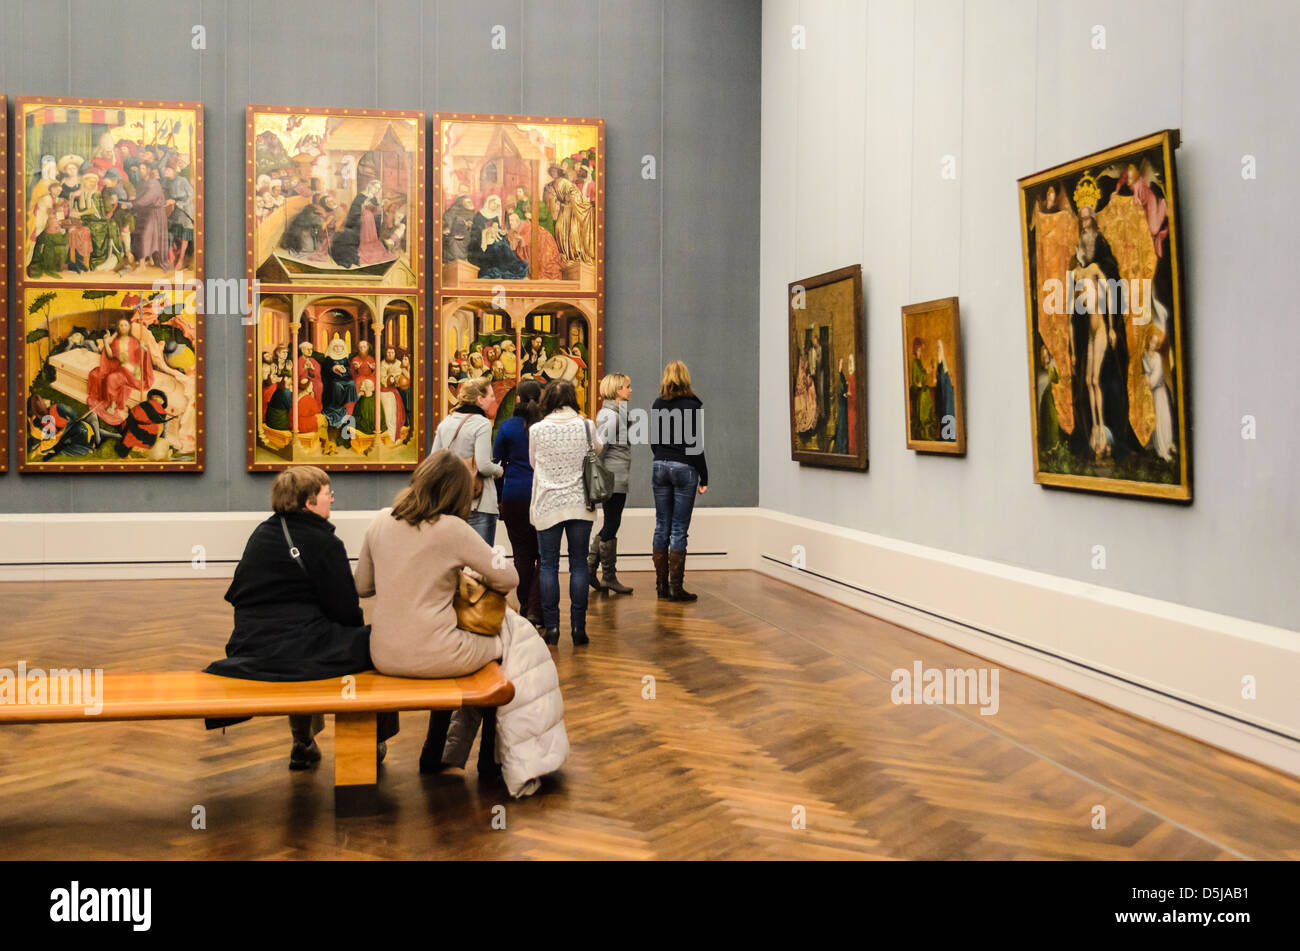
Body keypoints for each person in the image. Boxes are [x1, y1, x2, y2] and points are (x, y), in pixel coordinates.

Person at [205, 467, 396, 770]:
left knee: (312, 640)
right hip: (295, 653)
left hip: (249, 650)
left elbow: (240, 595)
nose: (332, 499)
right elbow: (346, 610)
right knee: (377, 644)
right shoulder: (325, 543)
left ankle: (303, 741)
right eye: (326, 493)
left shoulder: (262, 534)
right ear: (308, 502)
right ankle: (370, 739)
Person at [356, 451, 518, 777]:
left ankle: (434, 751)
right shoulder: (452, 529)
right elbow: (508, 578)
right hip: (437, 654)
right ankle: (492, 761)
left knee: (447, 646)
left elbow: (362, 586)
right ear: (458, 492)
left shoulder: (381, 519)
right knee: (511, 649)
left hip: (384, 653)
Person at [529, 380, 600, 646]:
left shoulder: (537, 429)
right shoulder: (586, 425)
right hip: (580, 502)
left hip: (548, 502)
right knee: (579, 564)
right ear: (573, 397)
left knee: (548, 565)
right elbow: (599, 449)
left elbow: (532, 462)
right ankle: (579, 627)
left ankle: (554, 628)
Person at [650, 361, 708, 603]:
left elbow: (653, 441)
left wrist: (663, 456)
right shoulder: (693, 405)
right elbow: (696, 446)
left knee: (661, 524)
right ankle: (676, 587)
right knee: (678, 528)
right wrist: (704, 476)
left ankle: (661, 586)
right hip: (684, 468)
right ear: (686, 378)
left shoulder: (657, 404)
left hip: (660, 465)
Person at [493, 379, 544, 630]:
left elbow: (498, 464)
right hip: (542, 495)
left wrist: (501, 498)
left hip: (514, 495)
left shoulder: (507, 427)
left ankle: (526, 608)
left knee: (522, 555)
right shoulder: (544, 426)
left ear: (518, 399)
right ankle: (536, 608)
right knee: (545, 555)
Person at [432, 376, 503, 545]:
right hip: (479, 500)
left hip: (452, 499)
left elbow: (434, 460)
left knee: (454, 560)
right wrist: (499, 470)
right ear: (480, 399)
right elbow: (484, 465)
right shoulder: (482, 424)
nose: (494, 399)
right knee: (480, 563)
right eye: (491, 395)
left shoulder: (446, 422)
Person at [588, 373, 634, 595]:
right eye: (627, 386)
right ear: (617, 390)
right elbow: (600, 447)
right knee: (612, 523)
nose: (630, 390)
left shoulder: (613, 413)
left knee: (611, 523)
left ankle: (598, 571)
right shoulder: (613, 415)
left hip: (616, 475)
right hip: (614, 477)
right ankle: (603, 574)